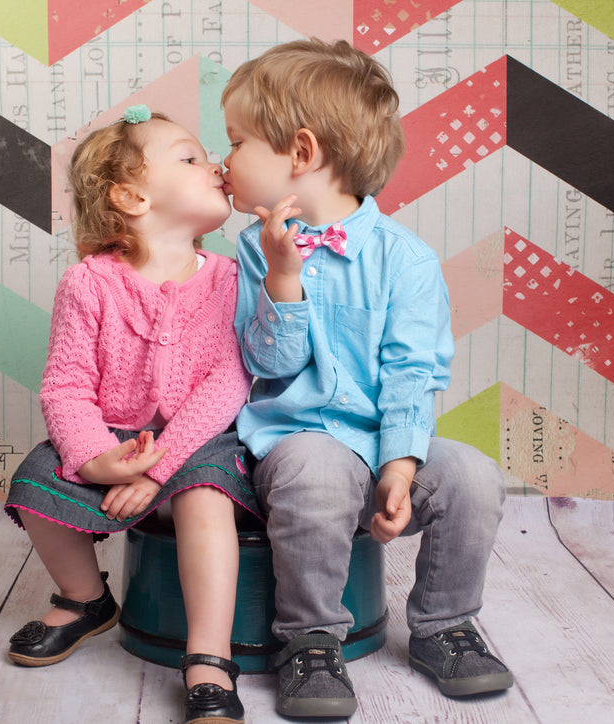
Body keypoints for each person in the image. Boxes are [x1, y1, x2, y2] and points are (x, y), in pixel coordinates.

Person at [221, 39, 514, 718]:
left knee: (473, 476)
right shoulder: (254, 249)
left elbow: (413, 372)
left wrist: (401, 466)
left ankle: (445, 624)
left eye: (236, 142)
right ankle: (311, 639)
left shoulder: (406, 260)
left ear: (300, 152)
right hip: (296, 441)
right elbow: (266, 364)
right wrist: (284, 277)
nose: (224, 160)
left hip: (386, 438)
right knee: (317, 472)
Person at [4, 105, 256, 724]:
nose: (216, 166)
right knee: (36, 479)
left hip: (201, 439)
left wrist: (159, 467)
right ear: (133, 197)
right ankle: (85, 598)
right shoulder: (88, 283)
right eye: (191, 158)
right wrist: (96, 458)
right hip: (112, 437)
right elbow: (66, 385)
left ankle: (209, 655)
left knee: (205, 499)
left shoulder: (230, 278)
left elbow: (229, 381)